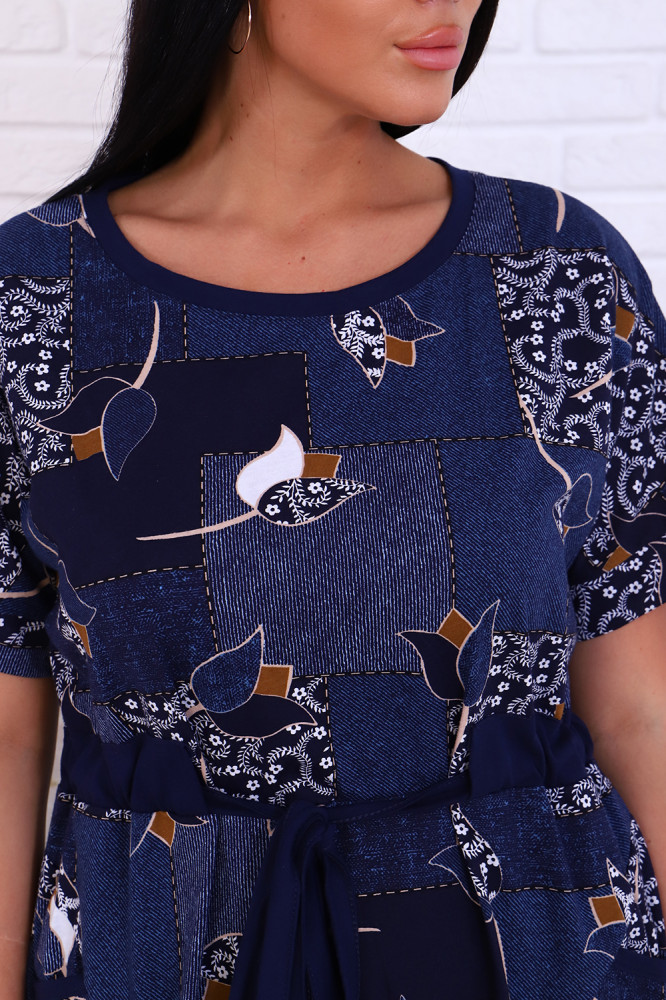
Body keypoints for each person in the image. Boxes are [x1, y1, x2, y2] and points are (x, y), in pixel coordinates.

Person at [1, 0, 665, 997]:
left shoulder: (554, 266)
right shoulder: (36, 297)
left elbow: (642, 707)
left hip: (538, 942)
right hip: (162, 947)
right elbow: (8, 733)